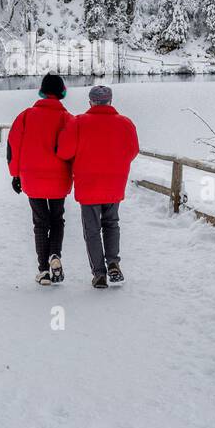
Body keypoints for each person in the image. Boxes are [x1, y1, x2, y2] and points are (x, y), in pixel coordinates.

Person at [57, 84, 139, 288]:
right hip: (114, 183)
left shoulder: (78, 122)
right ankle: (113, 263)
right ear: (111, 101)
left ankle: (99, 273)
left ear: (90, 102)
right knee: (111, 223)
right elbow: (133, 151)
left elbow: (64, 152)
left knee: (92, 229)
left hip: (89, 185)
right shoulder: (126, 123)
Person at [6, 73, 72, 285]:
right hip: (58, 178)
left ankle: (43, 270)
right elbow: (72, 150)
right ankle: (55, 255)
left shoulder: (25, 116)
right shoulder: (67, 118)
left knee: (40, 223)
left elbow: (13, 147)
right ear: (62, 92)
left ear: (42, 91)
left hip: (32, 178)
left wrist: (15, 175)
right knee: (57, 219)